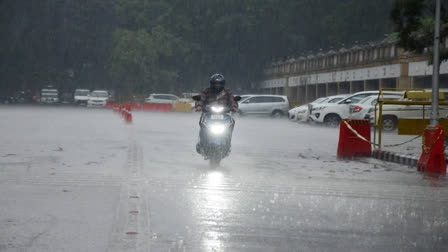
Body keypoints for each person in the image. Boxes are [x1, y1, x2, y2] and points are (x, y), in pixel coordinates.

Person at [195, 73, 238, 155]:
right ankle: (202, 142)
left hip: (224, 115)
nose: (217, 85)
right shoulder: (207, 91)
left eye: (219, 83)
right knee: (202, 122)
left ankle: (227, 143)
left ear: (223, 84)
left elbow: (233, 100)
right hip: (208, 114)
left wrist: (234, 107)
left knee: (232, 122)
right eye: (215, 83)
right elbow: (201, 99)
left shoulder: (227, 92)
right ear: (212, 84)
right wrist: (199, 106)